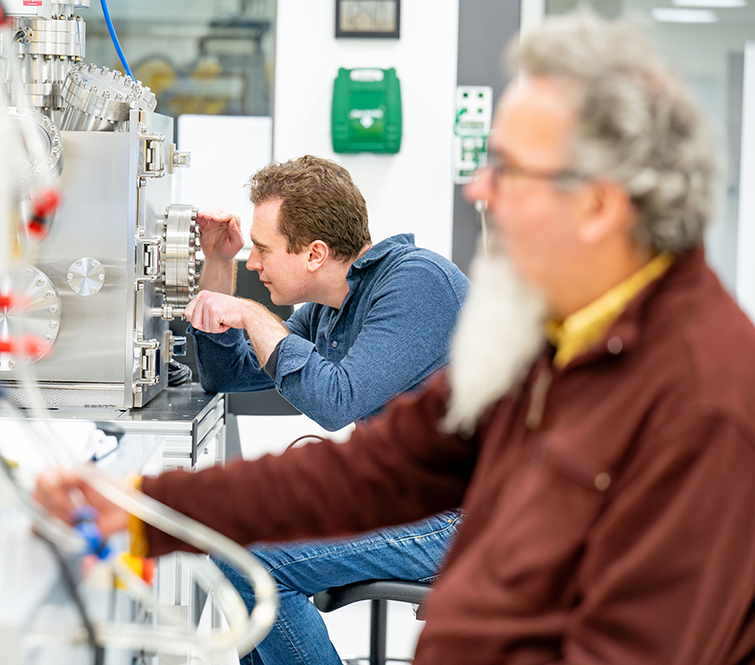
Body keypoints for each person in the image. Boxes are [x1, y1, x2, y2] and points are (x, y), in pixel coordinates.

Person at [37, 14, 755, 664]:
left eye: (510, 171)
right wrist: (146, 509)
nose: (479, 190)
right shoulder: (563, 343)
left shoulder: (703, 399)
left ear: (597, 206)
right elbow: (372, 472)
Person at [184, 155, 470, 665]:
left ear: (314, 253)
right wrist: (218, 264)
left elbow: (337, 400)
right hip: (403, 503)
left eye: (262, 250)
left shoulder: (417, 282)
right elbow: (228, 374)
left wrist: (251, 312)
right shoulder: (331, 308)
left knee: (251, 562)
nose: (255, 263)